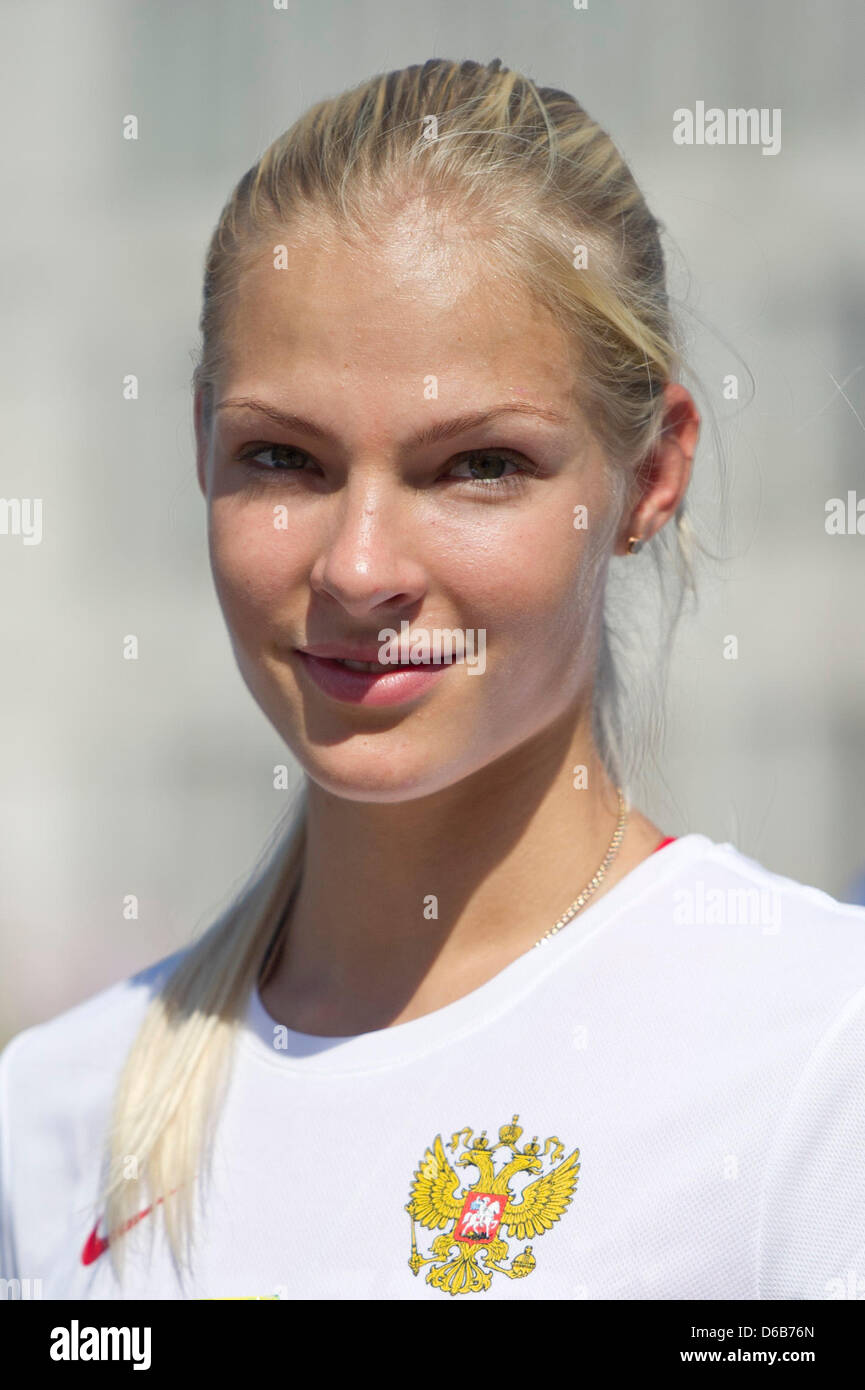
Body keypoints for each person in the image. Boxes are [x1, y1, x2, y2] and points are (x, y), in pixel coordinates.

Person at [2, 57, 864, 1302]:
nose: (358, 569)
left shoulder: (817, 1051)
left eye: (475, 466)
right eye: (283, 457)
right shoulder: (58, 1111)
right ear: (199, 447)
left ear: (652, 475)